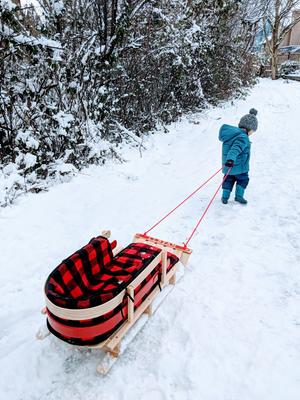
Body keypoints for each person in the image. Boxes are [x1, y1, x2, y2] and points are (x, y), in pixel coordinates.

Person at [219, 108, 258, 205]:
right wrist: (231, 159)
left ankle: (225, 197)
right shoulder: (243, 137)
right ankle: (239, 196)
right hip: (239, 167)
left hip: (229, 166)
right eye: (252, 131)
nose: (252, 133)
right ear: (248, 129)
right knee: (243, 179)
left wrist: (229, 161)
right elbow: (235, 149)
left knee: (228, 179)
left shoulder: (233, 135)